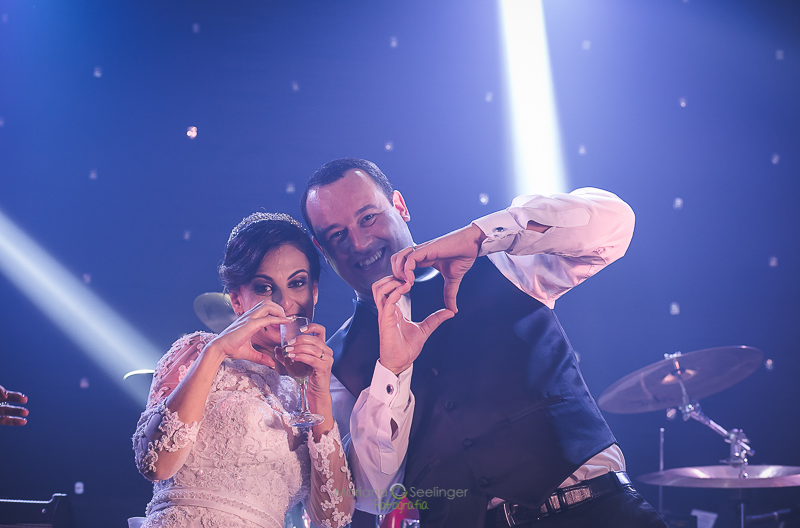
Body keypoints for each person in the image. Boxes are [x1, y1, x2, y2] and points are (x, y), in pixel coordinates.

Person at [301, 159, 666, 527]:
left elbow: (615, 224)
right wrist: (391, 372)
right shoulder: (333, 366)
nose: (359, 243)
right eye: (337, 235)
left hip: (594, 509)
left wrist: (482, 237)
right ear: (322, 248)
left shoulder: (502, 261)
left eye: (368, 218)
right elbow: (374, 494)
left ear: (400, 206)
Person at [131, 213, 355, 528]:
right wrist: (216, 352)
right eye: (264, 287)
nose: (285, 303)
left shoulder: (315, 387)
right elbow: (155, 463)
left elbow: (335, 518)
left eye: (297, 283)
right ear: (237, 300)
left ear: (314, 292)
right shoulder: (198, 351)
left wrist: (319, 396)